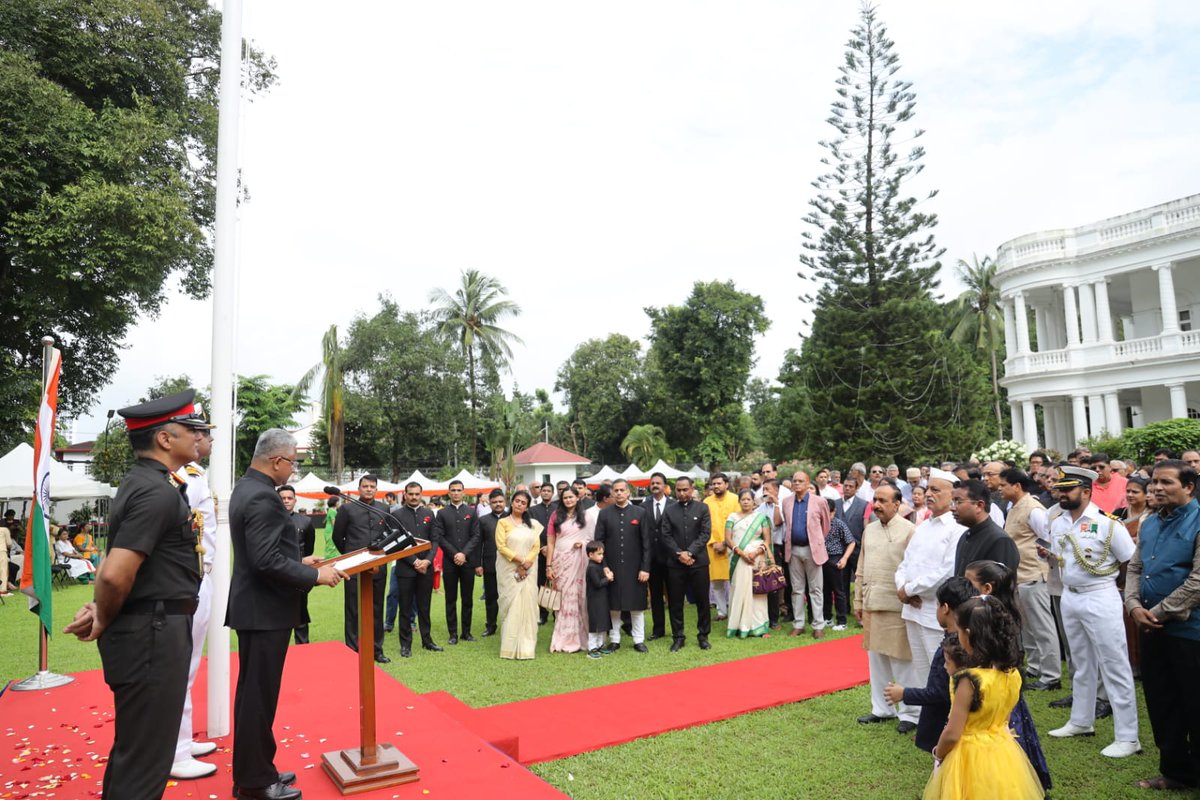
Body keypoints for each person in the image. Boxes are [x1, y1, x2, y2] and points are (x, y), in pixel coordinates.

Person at [62, 389, 208, 800]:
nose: (197, 438)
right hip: (152, 635)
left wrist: (103, 608)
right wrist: (104, 614)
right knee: (146, 761)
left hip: (153, 627)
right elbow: (114, 573)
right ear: (164, 439)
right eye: (189, 430)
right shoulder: (155, 491)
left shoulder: (147, 482)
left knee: (138, 753)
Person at [226, 429, 345, 800]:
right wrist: (314, 574)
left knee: (254, 696)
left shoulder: (248, 488)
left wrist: (299, 561)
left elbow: (265, 553)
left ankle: (257, 769)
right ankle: (255, 783)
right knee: (258, 698)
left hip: (259, 608)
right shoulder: (262, 496)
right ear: (276, 460)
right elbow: (264, 561)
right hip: (264, 611)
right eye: (292, 463)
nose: (293, 470)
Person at [1045, 465, 1141, 758]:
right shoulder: (1059, 523)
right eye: (1059, 489)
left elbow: (1130, 561)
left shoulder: (1109, 524)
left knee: (1114, 664)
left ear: (1086, 492)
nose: (1061, 494)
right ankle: (1080, 721)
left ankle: (1128, 736)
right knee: (1081, 663)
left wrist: (1120, 589)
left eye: (1068, 489)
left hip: (1101, 596)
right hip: (1071, 596)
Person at [1125, 460, 1200, 791]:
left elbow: (1198, 580)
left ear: (1188, 487)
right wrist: (1133, 605)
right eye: (1154, 481)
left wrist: (1158, 611)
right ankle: (1176, 773)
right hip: (1152, 630)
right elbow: (1135, 567)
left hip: (1190, 632)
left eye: (1166, 482)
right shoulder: (1150, 522)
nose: (1156, 487)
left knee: (1195, 703)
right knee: (1161, 702)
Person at [923, 595, 1044, 800]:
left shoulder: (968, 680)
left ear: (967, 634)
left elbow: (953, 732)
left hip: (968, 757)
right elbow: (1004, 718)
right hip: (1003, 752)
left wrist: (939, 753)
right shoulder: (1012, 674)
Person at [963, 560, 1053, 792]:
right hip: (1003, 699)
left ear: (987, 589)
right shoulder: (1001, 616)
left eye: (968, 582)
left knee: (1003, 755)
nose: (964, 586)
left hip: (996, 705)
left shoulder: (988, 622)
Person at [171, 418, 220, 781]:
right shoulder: (180, 478)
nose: (211, 441)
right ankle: (174, 751)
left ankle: (183, 741)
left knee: (189, 666)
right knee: (179, 667)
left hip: (202, 576)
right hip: (186, 579)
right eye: (206, 435)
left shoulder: (195, 473)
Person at [894, 468, 964, 707]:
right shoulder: (922, 526)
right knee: (921, 670)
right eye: (928, 489)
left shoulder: (957, 528)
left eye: (936, 490)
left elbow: (946, 571)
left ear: (953, 495)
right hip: (912, 608)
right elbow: (904, 563)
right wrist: (902, 588)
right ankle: (928, 724)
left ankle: (947, 723)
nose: (929, 494)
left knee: (941, 672)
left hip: (935, 610)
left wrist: (911, 589)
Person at [884, 576, 977, 754]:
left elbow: (940, 693)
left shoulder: (953, 649)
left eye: (937, 605)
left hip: (946, 727)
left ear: (945, 608)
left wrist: (904, 693)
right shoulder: (968, 639)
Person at [855, 483, 919, 732]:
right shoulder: (869, 530)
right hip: (872, 602)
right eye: (875, 500)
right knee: (876, 659)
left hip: (897, 605)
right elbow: (861, 567)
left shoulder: (909, 531)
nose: (877, 505)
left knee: (902, 660)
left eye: (883, 500)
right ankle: (881, 709)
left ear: (897, 504)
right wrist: (858, 600)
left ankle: (911, 714)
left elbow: (914, 569)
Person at [332, 474, 391, 663]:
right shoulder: (347, 509)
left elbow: (388, 535)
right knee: (353, 609)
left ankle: (376, 649)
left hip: (377, 566)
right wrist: (351, 557)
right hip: (353, 566)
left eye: (372, 486)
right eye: (365, 486)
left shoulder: (384, 508)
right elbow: (337, 537)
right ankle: (352, 648)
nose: (368, 489)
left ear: (376, 489)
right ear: (359, 488)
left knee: (377, 607)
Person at [594, 479, 652, 652]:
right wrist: (603, 566)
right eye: (616, 490)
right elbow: (599, 542)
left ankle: (638, 640)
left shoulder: (640, 512)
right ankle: (615, 639)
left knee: (637, 605)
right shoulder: (604, 514)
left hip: (636, 567)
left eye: (622, 490)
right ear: (612, 493)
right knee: (614, 605)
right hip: (611, 567)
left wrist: (645, 568)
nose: (619, 493)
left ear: (628, 492)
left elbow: (647, 544)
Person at [387, 482, 441, 657]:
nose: (414, 497)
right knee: (405, 607)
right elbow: (395, 544)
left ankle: (427, 640)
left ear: (421, 494)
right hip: (406, 569)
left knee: (425, 607)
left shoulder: (429, 514)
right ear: (405, 494)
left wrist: (427, 561)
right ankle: (405, 644)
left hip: (426, 568)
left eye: (417, 494)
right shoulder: (396, 515)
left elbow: (435, 540)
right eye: (410, 494)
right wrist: (415, 561)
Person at [660, 475, 712, 650]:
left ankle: (703, 636)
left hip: (698, 562)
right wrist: (679, 554)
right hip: (675, 564)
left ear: (692, 489)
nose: (682, 493)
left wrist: (689, 552)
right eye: (679, 490)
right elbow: (665, 535)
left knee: (703, 600)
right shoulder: (669, 510)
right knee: (675, 602)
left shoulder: (703, 508)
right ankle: (678, 637)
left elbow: (705, 534)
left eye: (685, 490)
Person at [782, 471, 831, 639]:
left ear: (808, 482)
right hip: (793, 549)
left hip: (813, 550)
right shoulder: (786, 502)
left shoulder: (819, 501)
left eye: (800, 481)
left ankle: (818, 625)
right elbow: (787, 525)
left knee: (816, 589)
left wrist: (816, 541)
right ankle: (798, 624)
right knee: (796, 590)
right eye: (794, 481)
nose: (796, 484)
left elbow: (826, 525)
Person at [545, 485, 593, 653]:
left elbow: (592, 540)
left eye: (571, 497)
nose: (568, 500)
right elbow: (550, 542)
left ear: (578, 498)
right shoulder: (555, 516)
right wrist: (549, 565)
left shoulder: (586, 516)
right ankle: (563, 638)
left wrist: (583, 544)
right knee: (563, 600)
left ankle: (581, 638)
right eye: (565, 498)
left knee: (580, 599)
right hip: (560, 562)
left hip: (579, 562)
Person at [495, 490, 543, 660]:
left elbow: (536, 547)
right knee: (512, 604)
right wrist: (521, 561)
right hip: (509, 570)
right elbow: (501, 546)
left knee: (528, 605)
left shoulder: (533, 524)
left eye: (523, 502)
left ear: (527, 506)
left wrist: (526, 563)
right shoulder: (503, 523)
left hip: (529, 570)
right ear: (512, 502)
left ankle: (526, 647)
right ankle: (509, 647)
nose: (519, 504)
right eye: (517, 501)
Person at [434, 479, 480, 644]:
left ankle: (466, 632)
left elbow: (476, 535)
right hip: (450, 561)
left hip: (467, 562)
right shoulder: (442, 513)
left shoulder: (472, 512)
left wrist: (464, 554)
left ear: (463, 492)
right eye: (453, 490)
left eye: (458, 490)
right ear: (449, 492)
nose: (455, 493)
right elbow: (439, 537)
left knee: (467, 598)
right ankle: (453, 634)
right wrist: (455, 554)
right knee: (450, 599)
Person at [724, 489, 772, 638]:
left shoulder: (761, 517)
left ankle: (759, 626)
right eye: (743, 499)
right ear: (739, 501)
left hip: (757, 558)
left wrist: (756, 552)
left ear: (754, 502)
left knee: (757, 591)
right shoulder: (732, 517)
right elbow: (728, 539)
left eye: (748, 499)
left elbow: (767, 539)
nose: (745, 502)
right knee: (739, 589)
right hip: (739, 558)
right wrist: (741, 553)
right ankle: (738, 625)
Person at [950, 479, 1019, 576]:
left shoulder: (999, 540)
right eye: (952, 502)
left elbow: (1002, 586)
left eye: (958, 502)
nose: (952, 508)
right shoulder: (966, 536)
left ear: (979, 505)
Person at [1119, 475, 1151, 676]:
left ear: (1147, 495)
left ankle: (1143, 662)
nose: (1130, 495)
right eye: (1128, 491)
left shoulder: (1151, 517)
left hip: (1144, 569)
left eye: (1135, 491)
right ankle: (1132, 663)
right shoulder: (1119, 513)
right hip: (1123, 571)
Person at [277, 485, 316, 645]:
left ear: (295, 500)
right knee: (278, 616)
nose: (286, 501)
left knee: (300, 613)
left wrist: (301, 562)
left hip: (299, 575)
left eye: (289, 498)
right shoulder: (270, 521)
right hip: (277, 574)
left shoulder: (305, 521)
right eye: (283, 498)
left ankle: (303, 648)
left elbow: (309, 548)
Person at [641, 472, 674, 641]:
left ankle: (677, 630)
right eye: (652, 483)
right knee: (655, 596)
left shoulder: (673, 504)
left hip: (670, 558)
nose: (655, 485)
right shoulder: (643, 505)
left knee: (674, 595)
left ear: (664, 486)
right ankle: (658, 629)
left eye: (658, 483)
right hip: (652, 558)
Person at [703, 473, 739, 620]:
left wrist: (725, 543)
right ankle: (721, 611)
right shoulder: (706, 501)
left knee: (733, 580)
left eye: (719, 483)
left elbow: (739, 522)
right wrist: (714, 542)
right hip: (711, 545)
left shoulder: (735, 499)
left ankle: (734, 610)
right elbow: (704, 525)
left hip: (732, 545)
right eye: (714, 484)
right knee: (716, 581)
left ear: (726, 484)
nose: (716, 486)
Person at [473, 488, 507, 638]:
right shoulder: (483, 520)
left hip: (510, 565)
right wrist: (478, 564)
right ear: (490, 504)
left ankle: (509, 625)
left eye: (500, 501)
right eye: (494, 502)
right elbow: (478, 543)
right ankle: (491, 626)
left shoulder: (512, 518)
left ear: (505, 502)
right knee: (491, 597)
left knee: (509, 597)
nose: (498, 504)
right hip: (490, 564)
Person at [822, 503, 856, 630]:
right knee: (825, 590)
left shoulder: (839, 524)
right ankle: (827, 618)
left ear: (834, 512)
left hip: (835, 558)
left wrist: (844, 558)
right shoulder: (818, 523)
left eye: (829, 513)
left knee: (838, 591)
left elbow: (851, 542)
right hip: (821, 559)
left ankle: (842, 621)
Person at [527, 482, 555, 624]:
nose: (545, 493)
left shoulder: (558, 509)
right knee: (540, 583)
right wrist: (542, 547)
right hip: (539, 552)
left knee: (556, 583)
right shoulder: (533, 510)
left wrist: (551, 548)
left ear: (552, 493)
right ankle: (542, 613)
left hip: (556, 553)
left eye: (548, 491)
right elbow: (531, 531)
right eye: (543, 490)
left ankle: (557, 613)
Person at [586, 542, 615, 658]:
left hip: (602, 599)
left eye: (602, 554)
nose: (602, 556)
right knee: (595, 624)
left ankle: (600, 645)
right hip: (594, 600)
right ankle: (592, 648)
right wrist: (607, 579)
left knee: (603, 623)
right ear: (590, 554)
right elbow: (597, 583)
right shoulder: (591, 567)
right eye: (599, 554)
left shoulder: (599, 565)